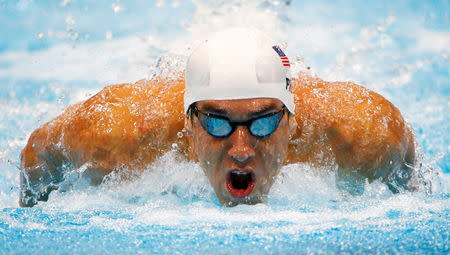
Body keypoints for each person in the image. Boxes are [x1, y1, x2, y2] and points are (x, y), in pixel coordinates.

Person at [19, 28, 416, 207]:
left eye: (262, 124)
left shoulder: (361, 136)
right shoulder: (115, 137)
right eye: (216, 123)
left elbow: (413, 181)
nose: (241, 150)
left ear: (292, 122)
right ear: (188, 125)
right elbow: (36, 156)